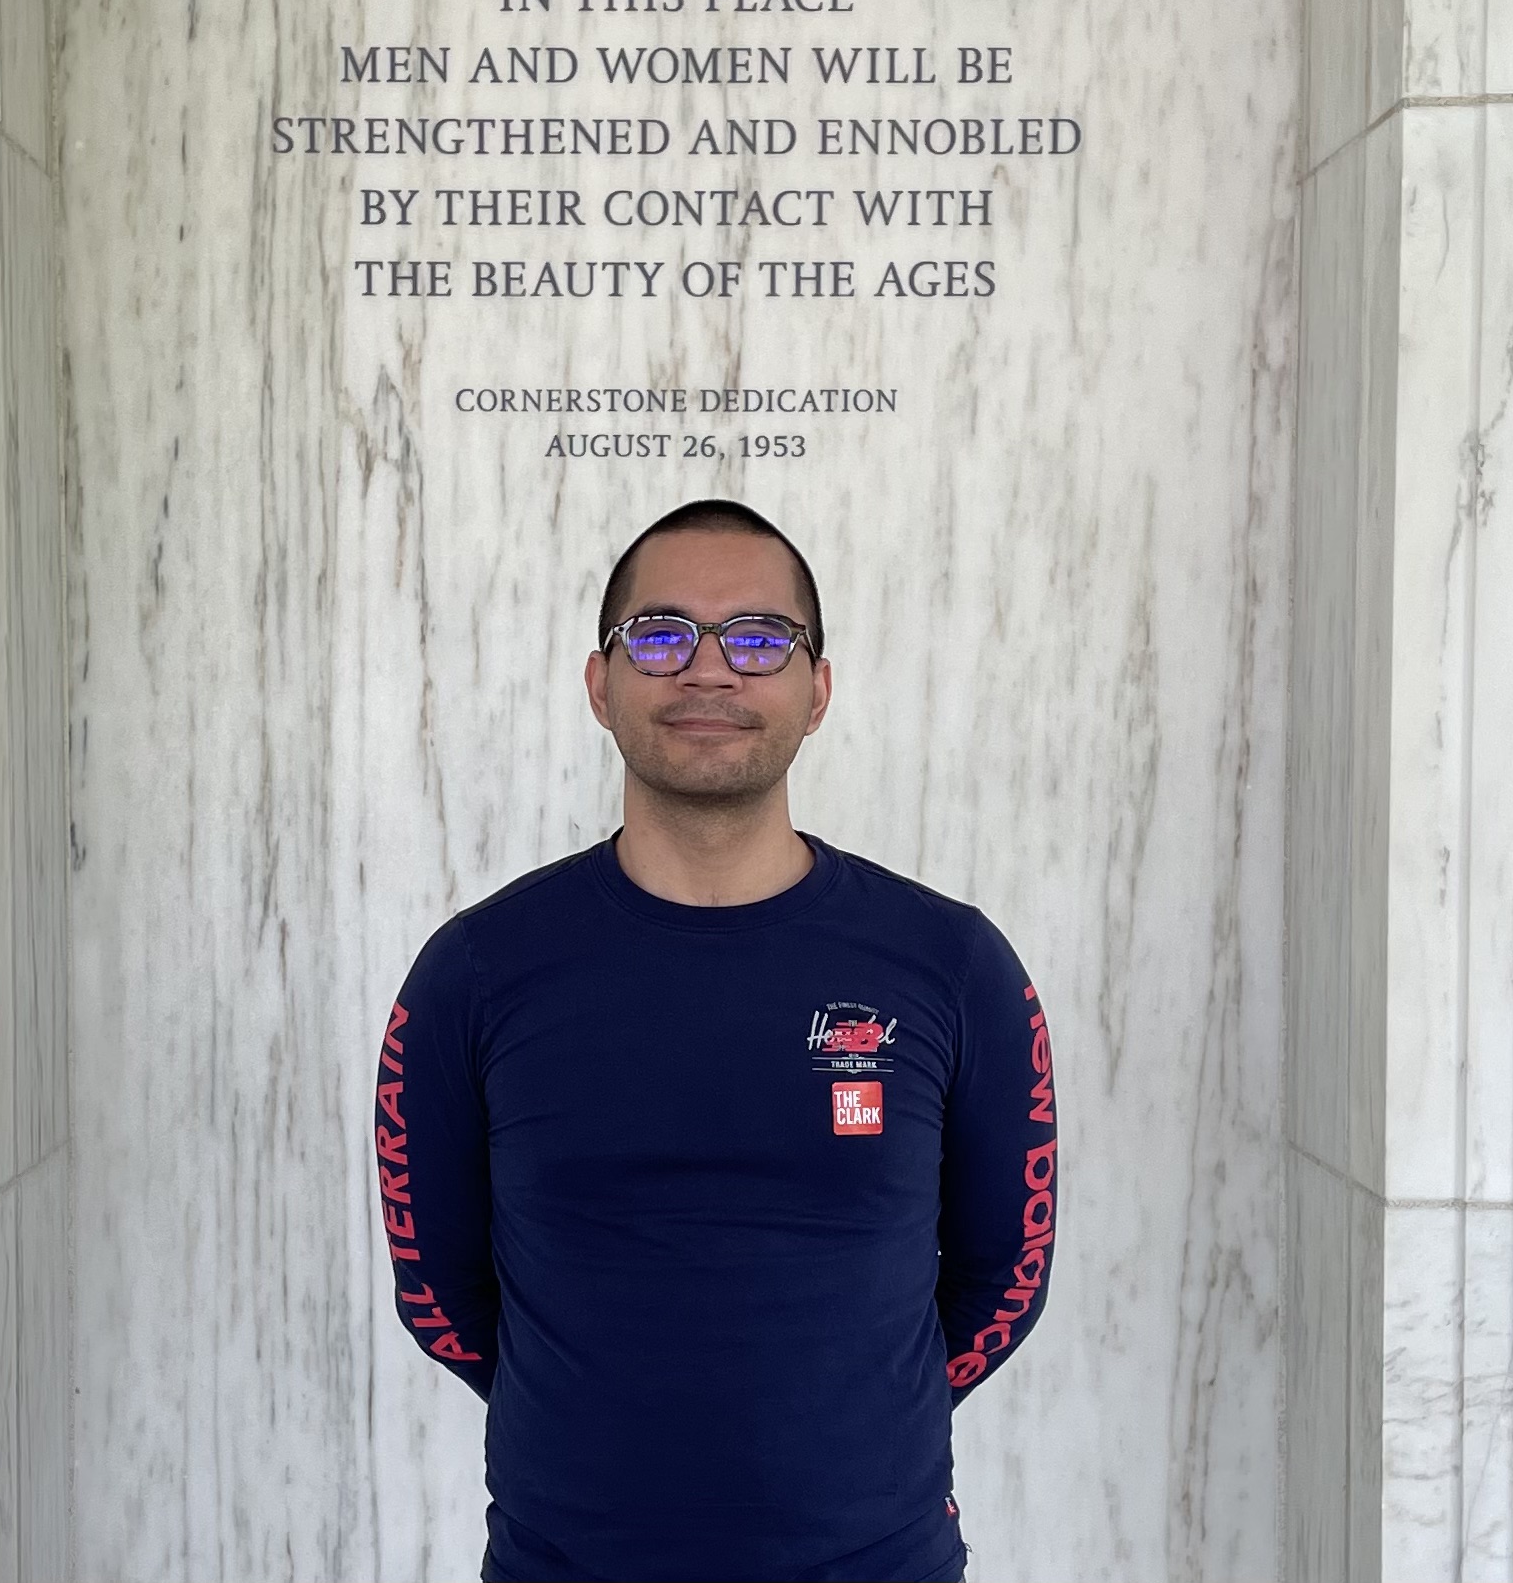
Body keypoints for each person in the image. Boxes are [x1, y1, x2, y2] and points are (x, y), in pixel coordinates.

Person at [373, 498, 1058, 1583]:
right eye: (658, 633)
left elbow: (1006, 1274)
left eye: (756, 637)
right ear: (600, 685)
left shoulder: (951, 964)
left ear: (815, 690)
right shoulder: (475, 971)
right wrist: (592, 1424)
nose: (706, 670)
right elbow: (436, 1288)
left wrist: (863, 1420)